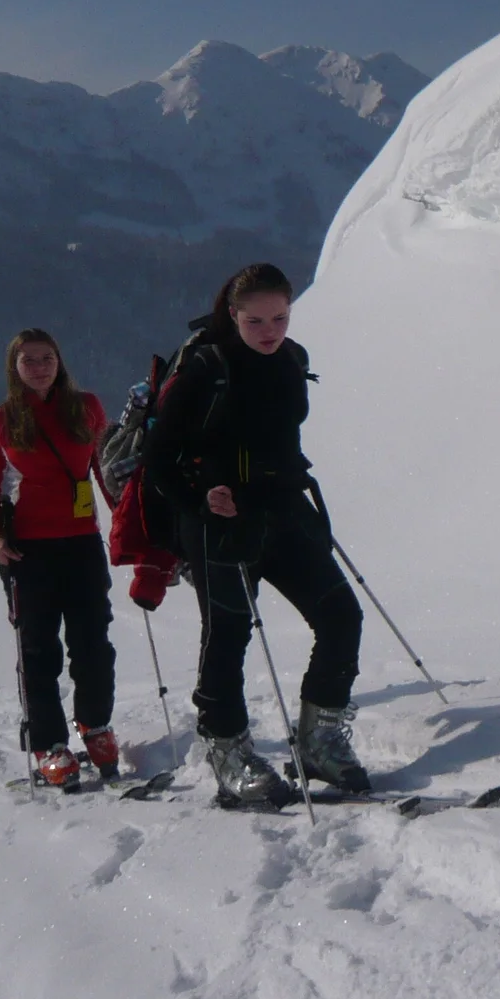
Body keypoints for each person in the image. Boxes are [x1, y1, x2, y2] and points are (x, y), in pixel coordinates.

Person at [140, 262, 367, 805]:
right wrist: (202, 497)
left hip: (283, 510)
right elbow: (159, 459)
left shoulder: (291, 360)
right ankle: (227, 750)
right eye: (256, 321)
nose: (270, 331)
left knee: (340, 615)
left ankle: (319, 740)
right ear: (232, 316)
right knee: (229, 635)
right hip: (217, 523)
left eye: (280, 318)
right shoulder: (205, 369)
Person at [0, 329, 118, 787]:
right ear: (13, 367)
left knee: (92, 641)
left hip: (81, 541)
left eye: (46, 358)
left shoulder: (87, 407)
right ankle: (48, 743)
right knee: (38, 650)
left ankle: (94, 725)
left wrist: (129, 521)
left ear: (60, 361)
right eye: (29, 360)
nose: (39, 367)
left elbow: (104, 467)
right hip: (27, 549)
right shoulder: (2, 420)